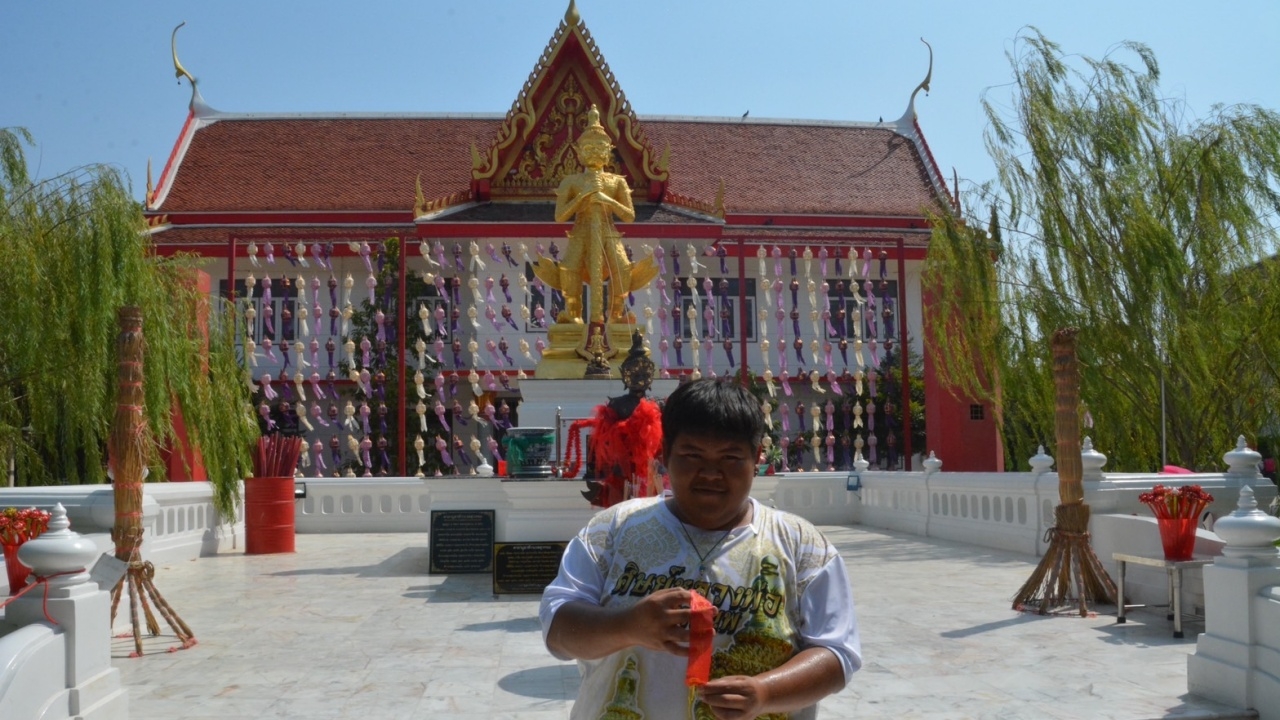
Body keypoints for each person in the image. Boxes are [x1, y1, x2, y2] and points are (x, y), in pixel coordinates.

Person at [540, 379, 861, 719]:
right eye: (692, 455)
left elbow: (837, 652)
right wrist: (628, 626)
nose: (711, 473)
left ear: (757, 458)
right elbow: (557, 629)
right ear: (664, 455)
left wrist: (765, 692)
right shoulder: (613, 530)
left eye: (731, 457)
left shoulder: (802, 545)